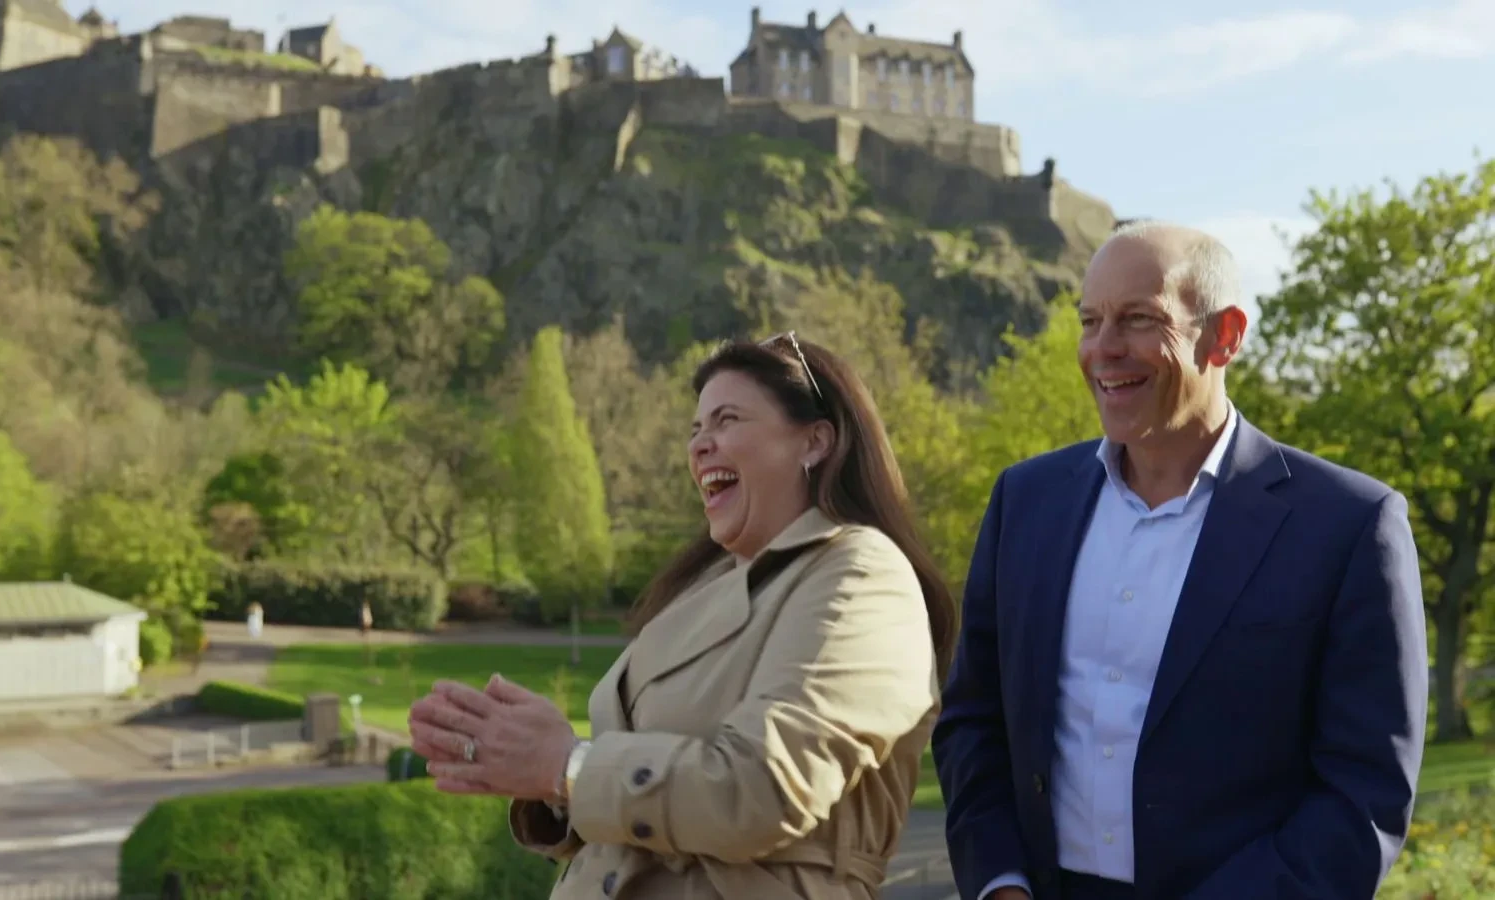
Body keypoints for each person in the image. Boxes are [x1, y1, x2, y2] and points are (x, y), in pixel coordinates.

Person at [931, 221, 1430, 900]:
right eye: (1090, 320)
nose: (1104, 349)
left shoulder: (1348, 525)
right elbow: (973, 721)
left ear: (1224, 335)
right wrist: (1001, 882)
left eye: (1138, 320)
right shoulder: (1026, 501)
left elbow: (1362, 792)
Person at [408, 333, 958, 899]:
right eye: (695, 430)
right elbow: (643, 801)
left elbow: (762, 791)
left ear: (815, 441)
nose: (699, 446)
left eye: (726, 420)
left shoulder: (863, 575)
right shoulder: (703, 587)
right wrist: (542, 774)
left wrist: (567, 765)